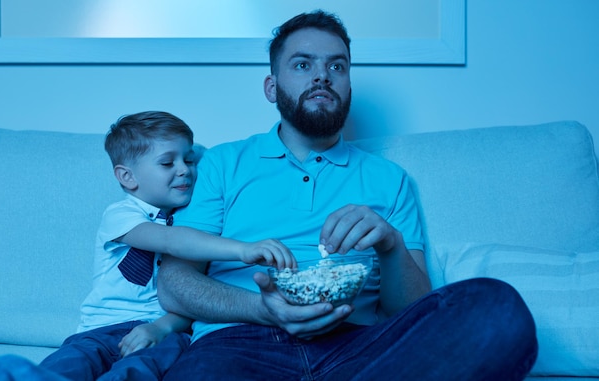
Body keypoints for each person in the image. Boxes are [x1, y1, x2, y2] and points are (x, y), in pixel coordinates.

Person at [156, 11, 539, 381]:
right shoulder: (223, 163)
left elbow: (409, 311)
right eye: (303, 65)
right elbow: (173, 283)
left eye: (337, 67)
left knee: (497, 306)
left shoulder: (390, 180)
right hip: (238, 343)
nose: (322, 76)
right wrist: (264, 310)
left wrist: (390, 244)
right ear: (272, 87)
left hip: (358, 348)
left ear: (348, 87)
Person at [0, 111, 294, 381]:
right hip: (102, 329)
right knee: (71, 364)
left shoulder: (198, 222)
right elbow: (172, 241)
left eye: (189, 159)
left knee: (143, 368)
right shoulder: (123, 215)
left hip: (165, 331)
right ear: (128, 177)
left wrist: (158, 328)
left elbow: (192, 299)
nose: (184, 169)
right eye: (167, 163)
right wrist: (241, 249)